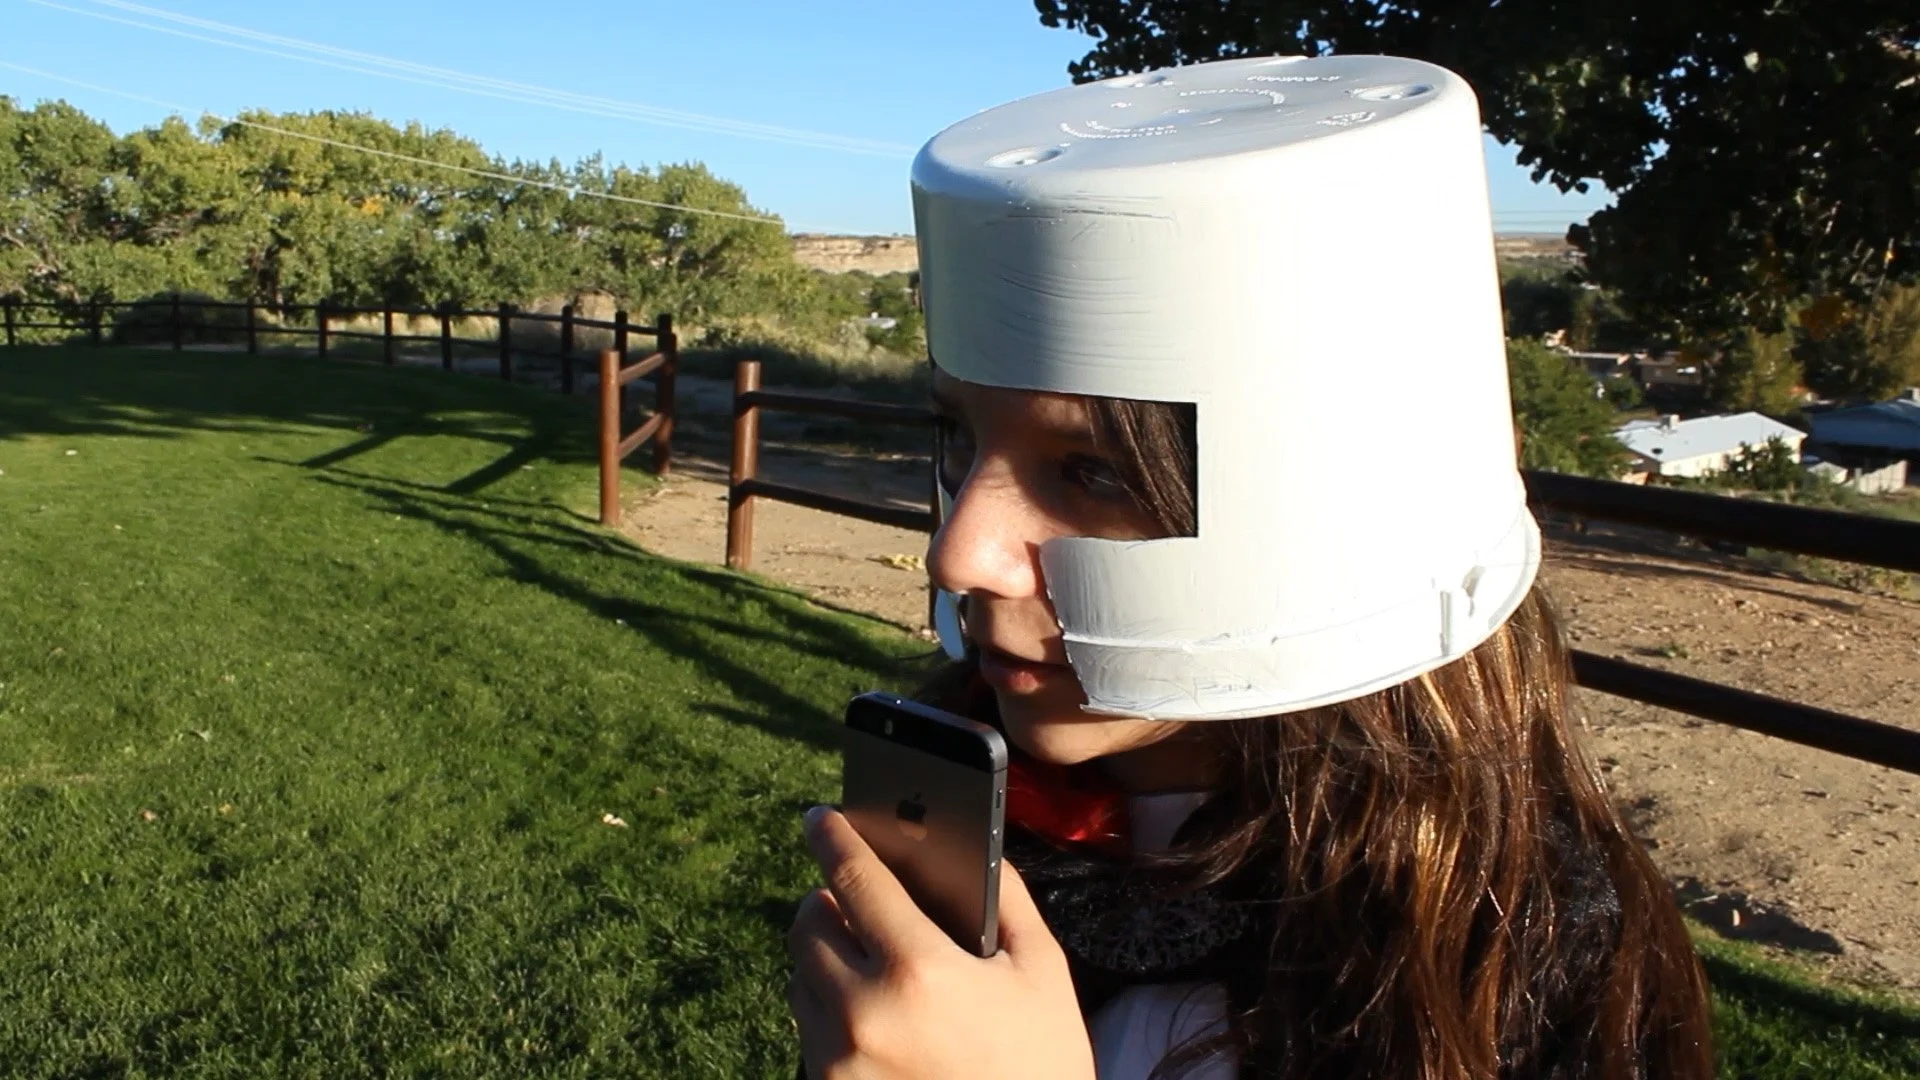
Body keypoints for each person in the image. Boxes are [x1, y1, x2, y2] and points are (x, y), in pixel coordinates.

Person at [786, 54, 1713, 1080]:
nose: (958, 548)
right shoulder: (978, 838)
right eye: (958, 438)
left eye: (1090, 471)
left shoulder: (1523, 951)